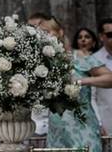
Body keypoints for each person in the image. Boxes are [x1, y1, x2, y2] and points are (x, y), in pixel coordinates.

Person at [39, 16, 112, 152]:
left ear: (60, 32)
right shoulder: (42, 65)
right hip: (57, 133)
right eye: (40, 33)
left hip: (83, 129)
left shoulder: (79, 57)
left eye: (46, 31)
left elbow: (110, 78)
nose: (43, 36)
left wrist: (81, 81)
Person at [94, 18, 112, 133]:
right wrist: (98, 122)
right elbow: (91, 96)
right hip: (107, 120)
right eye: (110, 34)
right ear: (101, 37)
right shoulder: (94, 60)